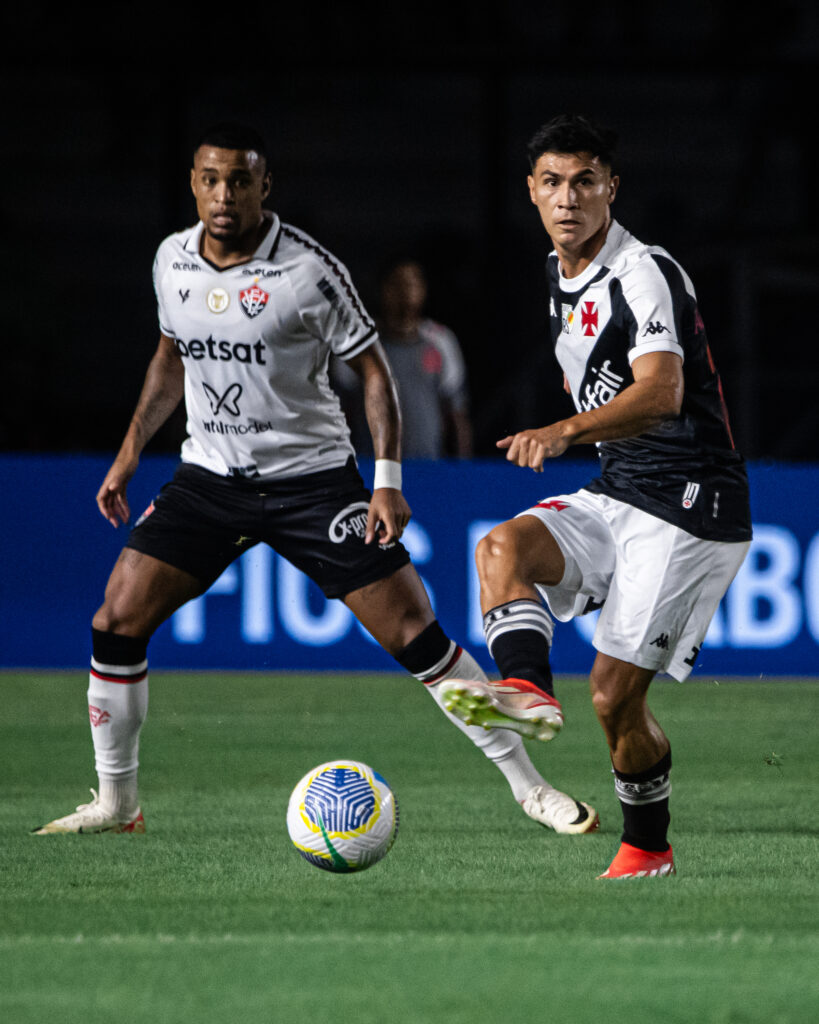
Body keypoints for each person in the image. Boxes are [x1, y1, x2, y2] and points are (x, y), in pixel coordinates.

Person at [34, 122, 596, 837]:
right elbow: (169, 357)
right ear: (192, 183)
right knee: (116, 620)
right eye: (210, 179)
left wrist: (385, 481)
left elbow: (373, 371)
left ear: (264, 186)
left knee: (415, 637)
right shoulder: (171, 260)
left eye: (240, 180)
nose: (223, 195)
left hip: (313, 483)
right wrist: (128, 452)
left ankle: (530, 790)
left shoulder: (306, 270)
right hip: (209, 481)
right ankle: (118, 806)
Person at [442, 114, 752, 878]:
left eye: (584, 181)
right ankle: (524, 687)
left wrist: (563, 429)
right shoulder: (557, 272)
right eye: (551, 182)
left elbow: (663, 391)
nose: (567, 198)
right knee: (499, 547)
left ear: (612, 187)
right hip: (620, 487)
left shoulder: (641, 270)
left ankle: (647, 846)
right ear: (530, 192)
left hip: (689, 500)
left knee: (614, 698)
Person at [332, 258, 472, 458]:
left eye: (413, 283)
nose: (405, 290)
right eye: (397, 283)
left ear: (423, 289)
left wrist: (464, 470)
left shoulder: (441, 341)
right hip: (373, 469)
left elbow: (457, 412)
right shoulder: (358, 341)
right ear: (383, 289)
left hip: (428, 467)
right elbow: (339, 412)